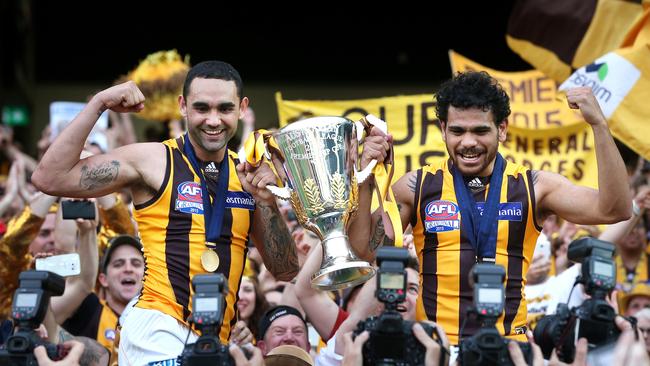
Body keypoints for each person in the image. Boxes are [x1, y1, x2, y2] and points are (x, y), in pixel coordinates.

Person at [32, 60, 299, 364]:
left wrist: (267, 202)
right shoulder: (152, 160)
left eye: (224, 109)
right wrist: (99, 103)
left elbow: (286, 270)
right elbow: (48, 178)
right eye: (202, 108)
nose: (213, 120)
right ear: (183, 106)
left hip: (217, 336)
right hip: (157, 326)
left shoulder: (248, 174)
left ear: (242, 108)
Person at [349, 71, 632, 345]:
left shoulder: (533, 186)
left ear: (503, 129)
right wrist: (364, 179)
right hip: (435, 346)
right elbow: (364, 250)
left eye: (480, 131)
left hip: (508, 347)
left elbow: (614, 210)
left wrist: (599, 126)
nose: (468, 142)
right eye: (457, 131)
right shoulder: (418, 185)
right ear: (443, 130)